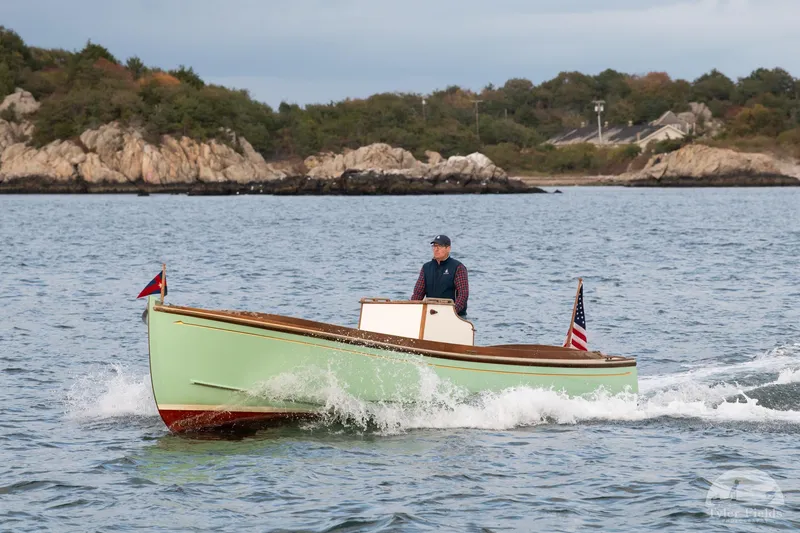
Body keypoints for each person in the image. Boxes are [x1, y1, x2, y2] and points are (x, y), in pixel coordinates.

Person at [411, 234, 469, 316]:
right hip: (431, 314)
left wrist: (451, 312)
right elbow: (417, 294)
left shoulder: (458, 267)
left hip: (455, 315)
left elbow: (463, 295)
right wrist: (412, 310)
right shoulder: (426, 268)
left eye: (440, 246)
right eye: (434, 246)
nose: (436, 249)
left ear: (448, 248)